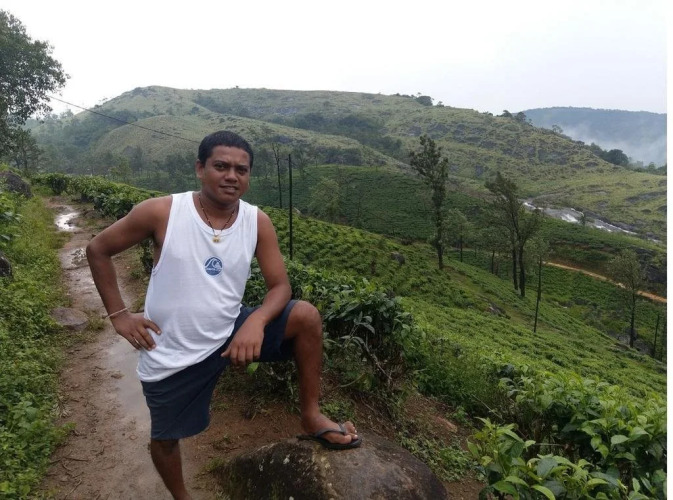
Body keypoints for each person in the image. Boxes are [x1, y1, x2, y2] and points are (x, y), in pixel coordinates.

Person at [86, 130, 360, 500]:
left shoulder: (256, 221)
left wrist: (256, 321)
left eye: (241, 170)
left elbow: (280, 286)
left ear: (249, 176)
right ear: (200, 168)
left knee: (306, 317)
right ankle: (182, 496)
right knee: (165, 438)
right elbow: (98, 249)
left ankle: (311, 414)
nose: (232, 176)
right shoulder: (162, 212)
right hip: (173, 348)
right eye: (221, 166)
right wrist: (119, 316)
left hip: (231, 328)